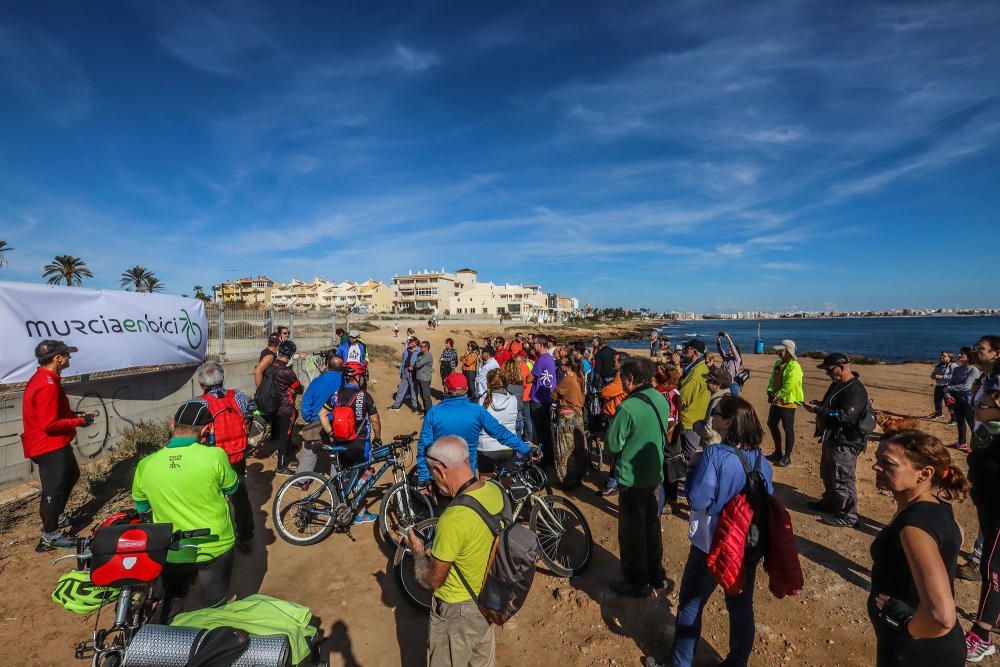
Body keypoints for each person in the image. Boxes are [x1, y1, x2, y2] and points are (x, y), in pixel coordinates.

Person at [654, 396, 773, 667]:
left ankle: (680, 662)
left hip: (713, 543)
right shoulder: (760, 460)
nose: (712, 418)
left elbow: (697, 499)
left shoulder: (715, 454)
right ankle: (737, 662)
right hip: (745, 545)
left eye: (716, 413)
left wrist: (694, 467)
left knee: (691, 602)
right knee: (741, 606)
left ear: (729, 421)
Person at [132, 401, 239, 621]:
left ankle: (170, 640)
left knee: (173, 600)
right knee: (215, 604)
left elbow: (142, 506)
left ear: (172, 424)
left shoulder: (146, 464)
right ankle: (212, 638)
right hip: (215, 544)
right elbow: (232, 487)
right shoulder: (215, 456)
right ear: (207, 430)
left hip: (173, 547)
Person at [868, 430, 967, 666]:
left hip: (916, 653)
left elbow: (941, 617)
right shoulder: (938, 507)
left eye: (887, 463)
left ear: (924, 474)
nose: (875, 467)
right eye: (877, 458)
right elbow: (957, 538)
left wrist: (906, 626)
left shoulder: (913, 527)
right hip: (935, 648)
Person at [405, 436, 502, 667]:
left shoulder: (453, 518)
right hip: (488, 599)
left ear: (440, 469)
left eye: (432, 475)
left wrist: (419, 553)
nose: (434, 482)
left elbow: (434, 580)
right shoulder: (495, 491)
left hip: (458, 611)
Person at [21, 339, 94, 552]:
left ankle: (59, 517)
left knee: (71, 474)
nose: (70, 358)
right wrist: (79, 422)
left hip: (55, 443)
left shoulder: (48, 379)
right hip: (48, 446)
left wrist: (74, 415)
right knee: (53, 490)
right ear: (58, 358)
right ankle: (49, 536)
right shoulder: (47, 384)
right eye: (67, 355)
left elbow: (52, 414)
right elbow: (49, 424)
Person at [605, 357, 669, 597]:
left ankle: (636, 581)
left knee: (632, 532)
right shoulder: (659, 399)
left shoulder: (628, 407)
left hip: (631, 477)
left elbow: (613, 443)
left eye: (622, 377)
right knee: (652, 525)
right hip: (654, 473)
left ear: (630, 379)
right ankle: (657, 574)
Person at [415, 374, 534, 486]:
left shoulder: (434, 412)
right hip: (466, 478)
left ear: (446, 389)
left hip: (442, 477)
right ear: (466, 389)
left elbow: (424, 446)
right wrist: (526, 448)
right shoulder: (477, 411)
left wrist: (423, 477)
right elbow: (501, 433)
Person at [192, 361, 256, 552]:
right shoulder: (238, 396)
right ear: (223, 378)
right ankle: (245, 536)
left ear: (201, 383)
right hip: (237, 453)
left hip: (211, 457)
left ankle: (216, 540)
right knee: (239, 494)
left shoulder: (199, 403)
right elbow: (251, 410)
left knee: (212, 498)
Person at [803, 353, 870, 528]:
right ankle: (831, 503)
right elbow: (830, 406)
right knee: (828, 473)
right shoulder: (837, 384)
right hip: (832, 437)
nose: (828, 374)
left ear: (842, 367)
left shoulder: (856, 390)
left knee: (843, 478)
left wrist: (818, 409)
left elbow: (846, 416)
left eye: (830, 370)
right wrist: (819, 405)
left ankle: (849, 516)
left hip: (845, 442)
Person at [318, 361, 382, 524]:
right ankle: (360, 514)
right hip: (360, 444)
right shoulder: (364, 396)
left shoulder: (336, 395)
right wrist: (378, 438)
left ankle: (342, 507)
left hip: (340, 443)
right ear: (357, 377)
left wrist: (331, 434)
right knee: (364, 476)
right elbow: (375, 420)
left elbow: (322, 414)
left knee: (345, 477)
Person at [297, 354, 344, 476]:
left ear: (327, 365)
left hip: (317, 422)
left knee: (310, 451)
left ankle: (302, 480)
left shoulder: (317, 381)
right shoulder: (344, 381)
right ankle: (337, 482)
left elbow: (306, 403)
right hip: (337, 423)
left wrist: (308, 419)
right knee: (337, 452)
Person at [551, 355, 589, 488]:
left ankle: (567, 479)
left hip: (566, 416)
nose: (560, 367)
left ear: (567, 367)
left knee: (564, 450)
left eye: (562, 365)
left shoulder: (567, 379)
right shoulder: (580, 377)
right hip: (577, 414)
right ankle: (578, 477)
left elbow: (554, 394)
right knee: (578, 447)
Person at [765, 339, 803, 467]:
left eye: (781, 350)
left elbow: (789, 386)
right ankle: (778, 452)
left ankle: (787, 456)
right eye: (779, 350)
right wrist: (770, 391)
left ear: (788, 351)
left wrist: (775, 396)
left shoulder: (795, 366)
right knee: (771, 424)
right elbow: (772, 379)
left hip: (788, 403)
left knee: (788, 429)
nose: (778, 353)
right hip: (776, 402)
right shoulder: (778, 363)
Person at [477, 369, 520, 475]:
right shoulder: (514, 400)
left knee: (486, 482)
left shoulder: (482, 401)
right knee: (507, 480)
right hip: (508, 446)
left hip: (486, 447)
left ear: (488, 383)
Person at [598, 352, 629, 497]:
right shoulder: (624, 375)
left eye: (615, 361)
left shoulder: (620, 376)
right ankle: (614, 481)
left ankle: (613, 483)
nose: (612, 363)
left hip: (614, 416)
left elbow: (606, 392)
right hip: (614, 414)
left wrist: (605, 390)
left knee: (614, 451)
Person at [270, 340, 303, 475]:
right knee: (285, 435)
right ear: (291, 355)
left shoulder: (271, 367)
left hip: (273, 405)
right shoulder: (287, 372)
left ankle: (285, 453)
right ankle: (281, 466)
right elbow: (299, 389)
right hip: (286, 408)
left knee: (280, 434)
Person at [678, 339, 711, 465]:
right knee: (693, 455)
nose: (684, 351)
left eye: (687, 349)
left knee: (692, 458)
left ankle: (693, 482)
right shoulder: (700, 368)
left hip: (690, 421)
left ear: (695, 352)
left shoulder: (697, 373)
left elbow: (683, 398)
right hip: (697, 418)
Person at [527, 337, 557, 462]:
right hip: (547, 397)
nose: (533, 346)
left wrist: (534, 377)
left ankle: (540, 458)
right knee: (546, 429)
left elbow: (529, 378)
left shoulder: (541, 359)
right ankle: (549, 457)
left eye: (535, 343)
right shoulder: (550, 358)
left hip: (538, 399)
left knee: (538, 431)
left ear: (541, 345)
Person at [946, 347, 980, 452]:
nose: (959, 356)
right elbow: (951, 382)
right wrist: (948, 394)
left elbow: (966, 386)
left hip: (968, 399)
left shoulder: (974, 370)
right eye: (959, 354)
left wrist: (948, 388)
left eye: (962, 354)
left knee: (972, 423)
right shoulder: (957, 369)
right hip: (956, 398)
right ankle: (962, 443)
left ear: (969, 357)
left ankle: (977, 446)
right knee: (960, 421)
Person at [693, 366, 733, 447]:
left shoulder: (717, 401)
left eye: (709, 381)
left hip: (714, 446)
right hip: (722, 445)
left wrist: (696, 426)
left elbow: (708, 430)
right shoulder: (729, 397)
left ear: (718, 384)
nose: (706, 382)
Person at [388, 336, 421, 413]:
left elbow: (420, 363)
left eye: (411, 342)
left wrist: (415, 369)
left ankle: (414, 406)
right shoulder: (405, 350)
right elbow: (402, 362)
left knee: (414, 389)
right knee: (401, 389)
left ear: (415, 343)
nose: (409, 343)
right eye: (409, 341)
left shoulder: (419, 351)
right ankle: (397, 404)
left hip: (414, 373)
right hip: (405, 371)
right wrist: (401, 372)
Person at [498, 359, 527, 439]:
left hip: (509, 420)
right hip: (519, 417)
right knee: (517, 447)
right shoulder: (520, 384)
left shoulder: (505, 387)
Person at [931, 351, 957, 420]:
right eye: (941, 355)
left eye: (944, 356)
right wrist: (933, 376)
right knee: (937, 401)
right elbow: (933, 373)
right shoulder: (939, 365)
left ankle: (954, 419)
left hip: (948, 387)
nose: (941, 357)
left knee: (949, 403)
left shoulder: (953, 365)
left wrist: (942, 377)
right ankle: (938, 414)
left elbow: (954, 376)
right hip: (938, 386)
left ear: (950, 358)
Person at [415, 340, 435, 414]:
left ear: (426, 348)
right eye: (420, 346)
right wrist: (418, 361)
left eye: (421, 346)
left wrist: (418, 362)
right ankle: (426, 411)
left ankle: (429, 414)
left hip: (425, 379)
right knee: (422, 395)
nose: (420, 348)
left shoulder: (428, 355)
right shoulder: (421, 354)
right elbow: (416, 362)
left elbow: (417, 364)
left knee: (426, 396)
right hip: (420, 377)